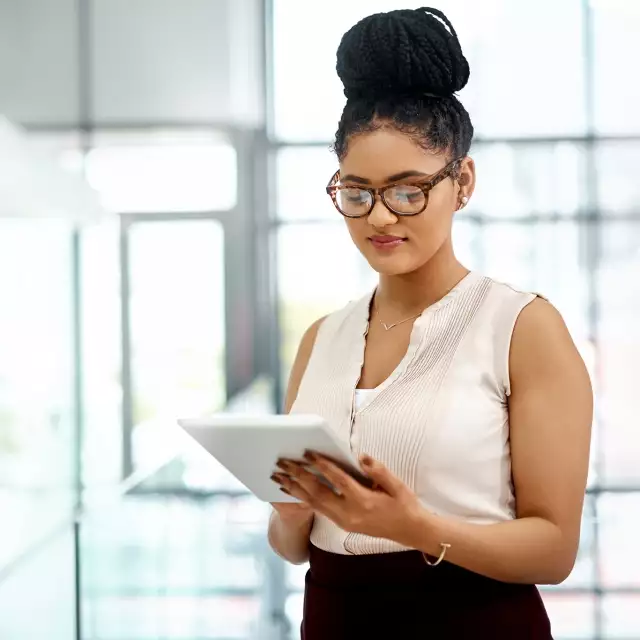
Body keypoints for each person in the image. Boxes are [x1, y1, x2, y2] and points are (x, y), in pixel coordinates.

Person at [267, 7, 592, 639]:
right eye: (357, 193)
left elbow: (555, 551)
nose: (381, 218)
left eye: (408, 190)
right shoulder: (320, 338)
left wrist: (414, 528)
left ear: (462, 181)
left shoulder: (522, 328)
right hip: (333, 618)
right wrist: (290, 515)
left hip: (471, 621)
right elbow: (295, 546)